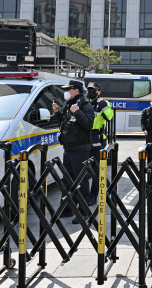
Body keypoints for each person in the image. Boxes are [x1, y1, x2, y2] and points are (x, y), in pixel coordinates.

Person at [52, 80, 96, 224]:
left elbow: (88, 125)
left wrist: (77, 112)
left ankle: (83, 212)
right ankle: (67, 209)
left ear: (76, 91)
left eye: (68, 89)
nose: (66, 92)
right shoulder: (68, 105)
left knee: (81, 181)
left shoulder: (86, 106)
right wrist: (57, 112)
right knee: (67, 179)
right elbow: (64, 125)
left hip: (80, 148)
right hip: (68, 148)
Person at [87, 82, 114, 205]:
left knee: (96, 169)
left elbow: (109, 117)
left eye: (94, 90)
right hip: (85, 138)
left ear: (99, 92)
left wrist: (102, 104)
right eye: (89, 89)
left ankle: (93, 195)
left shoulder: (104, 103)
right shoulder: (84, 102)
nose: (91, 92)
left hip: (98, 139)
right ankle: (83, 194)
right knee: (84, 169)